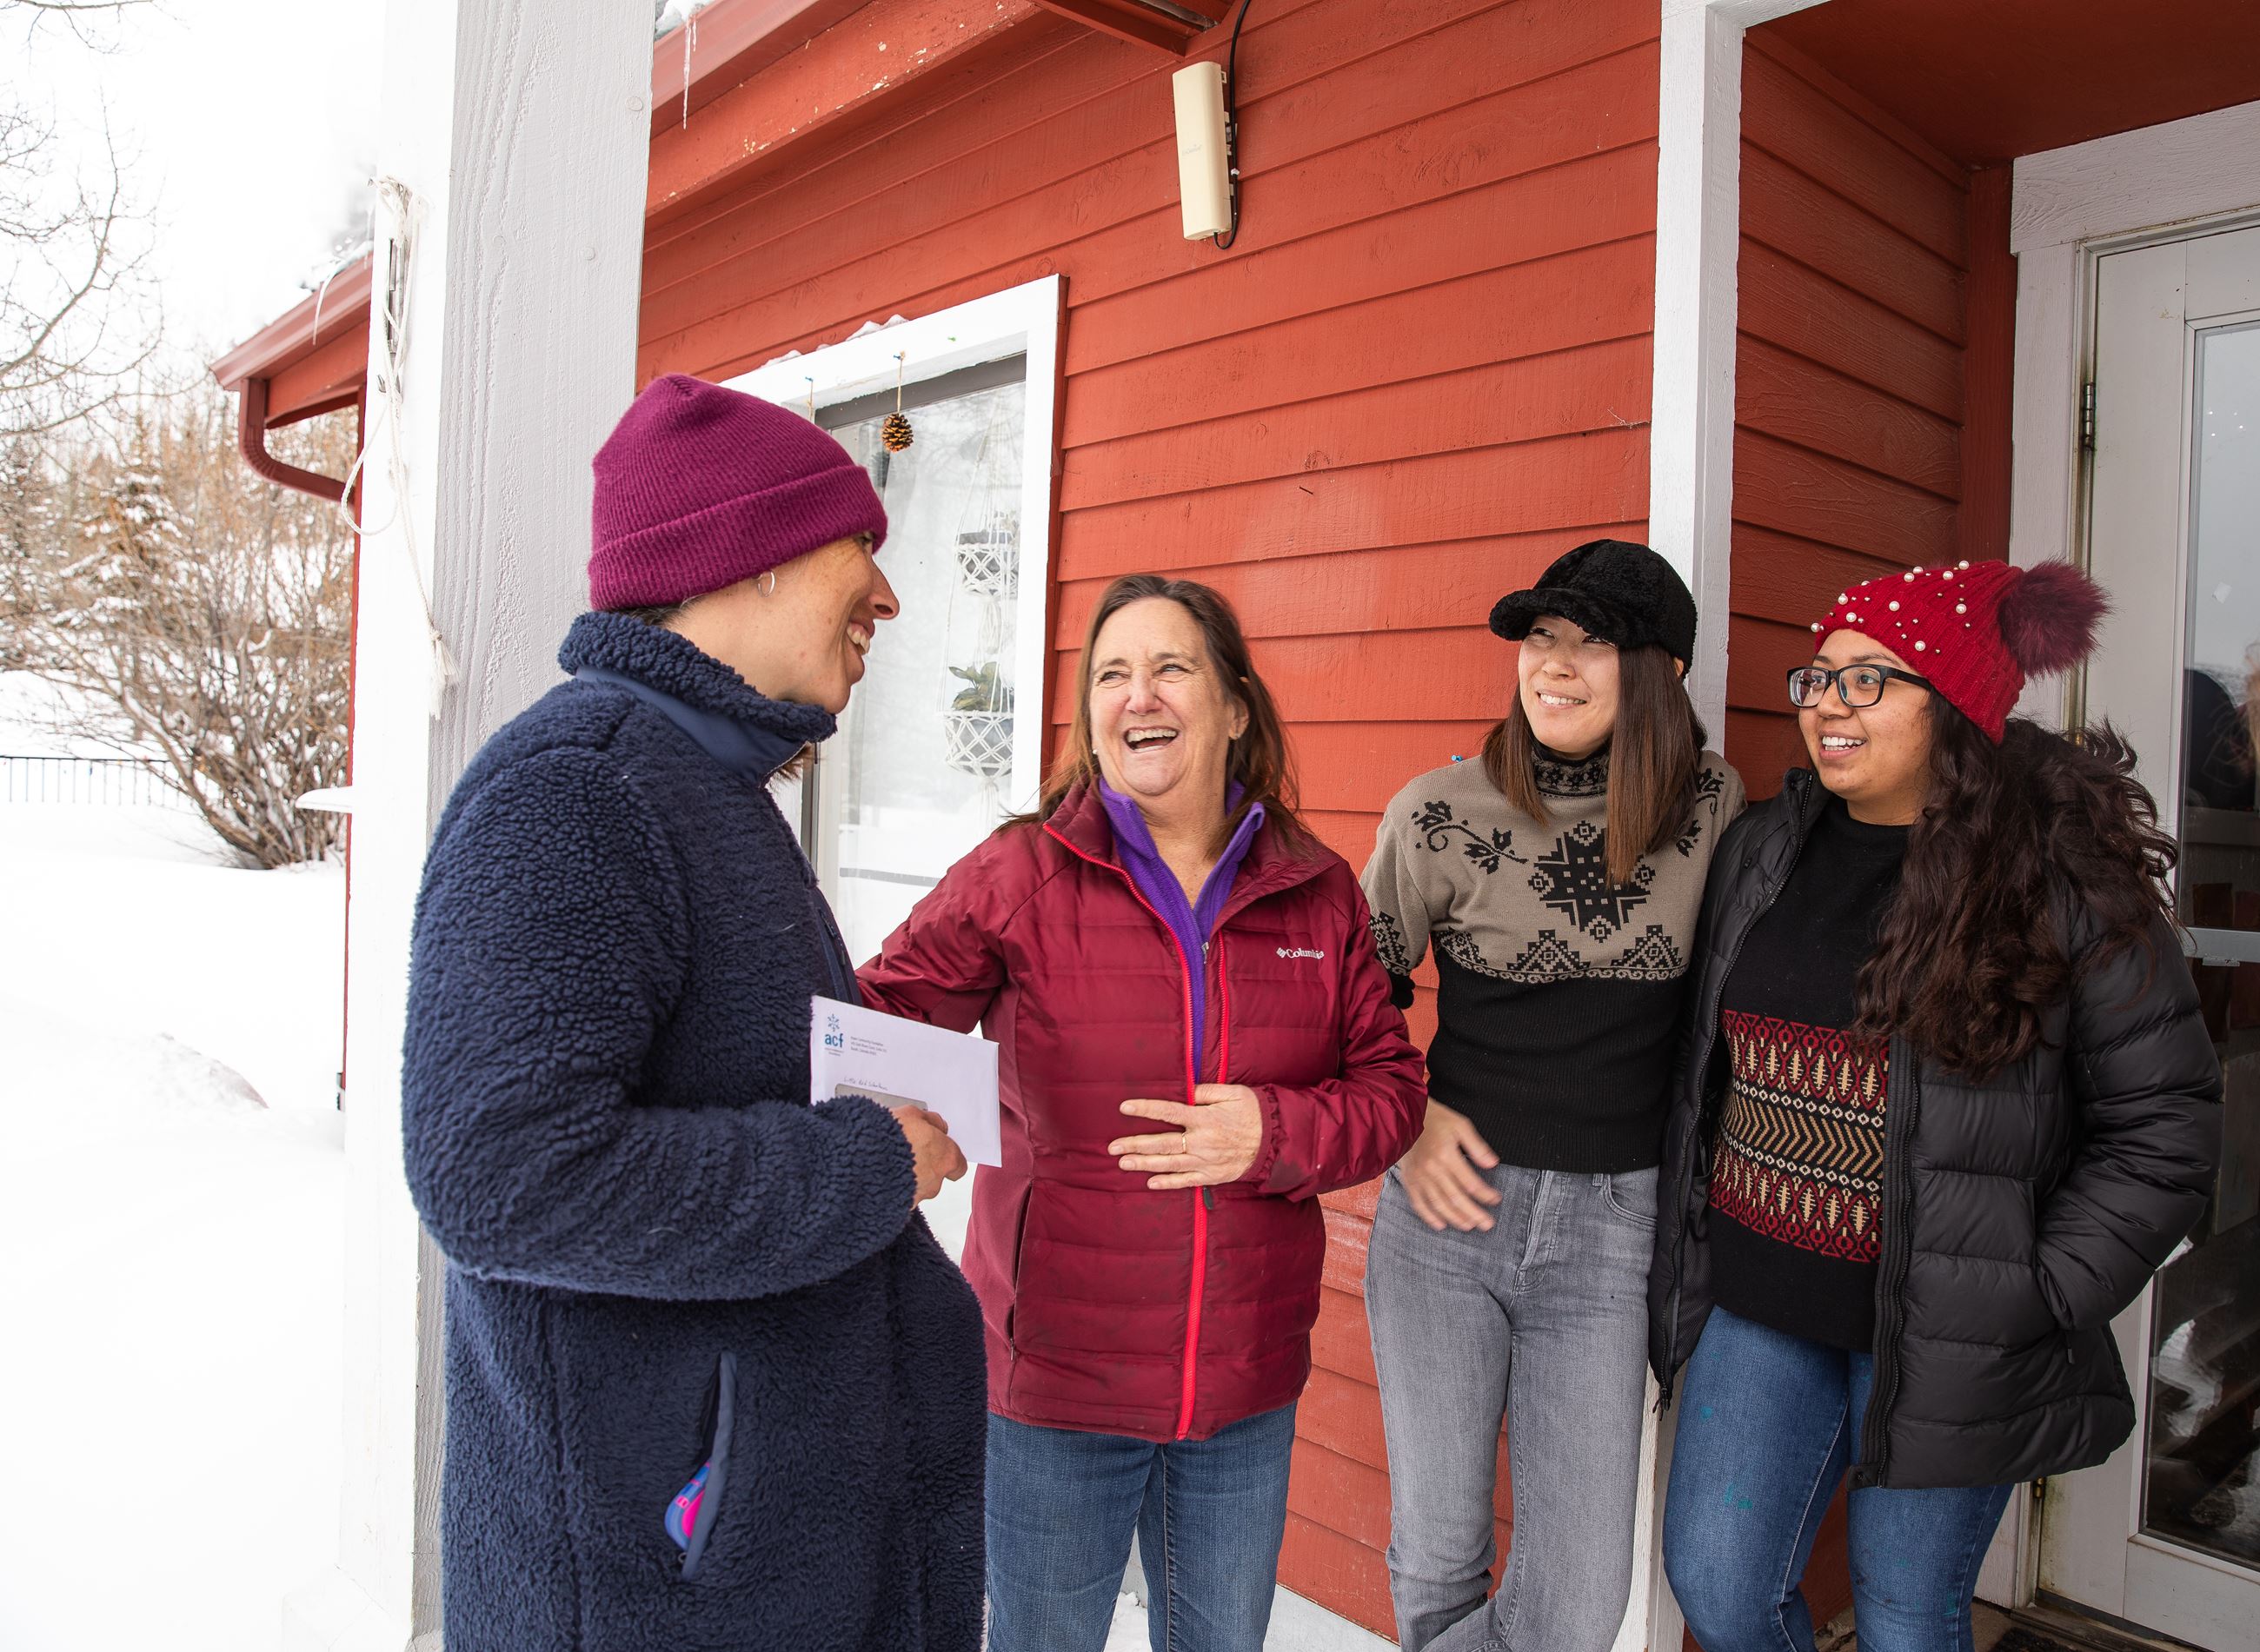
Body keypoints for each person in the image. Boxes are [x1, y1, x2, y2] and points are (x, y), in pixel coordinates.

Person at [401, 375, 984, 1652]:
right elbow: (501, 1175)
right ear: (754, 561)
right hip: (663, 1589)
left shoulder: (704, 794)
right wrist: (868, 1158)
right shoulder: (576, 794)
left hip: (764, 1568)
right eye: (857, 553)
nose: (885, 597)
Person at [1650, 560, 2223, 1652]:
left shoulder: (2060, 876)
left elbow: (2166, 1126)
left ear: (1953, 703)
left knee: (1910, 1619)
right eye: (1818, 676)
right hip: (1764, 1300)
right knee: (1718, 1588)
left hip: (1952, 1328)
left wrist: (2038, 1288)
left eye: (1869, 680)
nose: (1827, 702)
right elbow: (1703, 1067)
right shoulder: (1762, 848)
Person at [856, 574, 1427, 1652]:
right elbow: (871, 1017)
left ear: (1234, 708)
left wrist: (1271, 1131)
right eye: (1111, 673)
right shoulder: (1021, 873)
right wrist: (904, 1125)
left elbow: (1390, 1089)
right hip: (1057, 1381)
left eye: (1170, 667)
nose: (1138, 695)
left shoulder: (1315, 890)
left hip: (1241, 1387)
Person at [1359, 539, 1745, 1652]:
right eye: (1540, 637)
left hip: (1614, 1228)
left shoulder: (1709, 810)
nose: (1554, 664)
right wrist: (1414, 1120)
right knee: (1437, 1553)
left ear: (1663, 672)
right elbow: (1350, 1009)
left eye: (1591, 642)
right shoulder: (1436, 813)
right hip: (1443, 1216)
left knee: (1577, 1603)